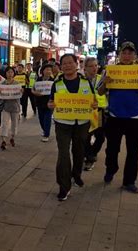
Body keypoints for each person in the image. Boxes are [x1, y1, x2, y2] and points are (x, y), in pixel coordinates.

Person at [97, 42, 138, 194]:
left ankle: (129, 181)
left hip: (135, 117)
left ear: (135, 55)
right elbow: (100, 92)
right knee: (112, 149)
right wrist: (106, 84)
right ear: (119, 54)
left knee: (133, 152)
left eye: (130, 53)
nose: (127, 56)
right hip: (114, 116)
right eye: (124, 53)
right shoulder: (110, 70)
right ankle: (111, 169)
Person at [48, 54, 96, 201]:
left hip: (82, 124)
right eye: (64, 63)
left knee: (79, 152)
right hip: (63, 124)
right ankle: (64, 186)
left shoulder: (86, 82)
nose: (67, 66)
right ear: (61, 67)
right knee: (63, 154)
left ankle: (76, 174)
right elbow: (51, 102)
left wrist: (94, 104)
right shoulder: (57, 84)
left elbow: (93, 100)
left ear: (77, 64)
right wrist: (50, 105)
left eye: (70, 63)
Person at [83, 57, 108, 171]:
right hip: (86, 112)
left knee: (101, 137)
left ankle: (91, 153)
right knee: (86, 136)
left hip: (99, 112)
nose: (94, 68)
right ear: (85, 68)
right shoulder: (81, 80)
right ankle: (89, 158)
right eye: (91, 66)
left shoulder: (101, 79)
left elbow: (107, 94)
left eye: (96, 65)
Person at [0, 67, 23, 150]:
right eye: (8, 72)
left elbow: (20, 95)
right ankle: (3, 140)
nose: (10, 74)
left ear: (14, 73)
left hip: (15, 107)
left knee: (14, 124)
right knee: (4, 124)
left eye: (11, 72)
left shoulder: (17, 83)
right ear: (5, 73)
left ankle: (12, 137)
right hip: (5, 107)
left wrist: (21, 91)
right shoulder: (2, 84)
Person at [32, 64, 54, 142]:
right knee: (41, 118)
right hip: (39, 101)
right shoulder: (39, 80)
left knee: (47, 118)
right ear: (43, 71)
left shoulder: (53, 81)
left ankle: (46, 135)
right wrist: (35, 93)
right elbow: (33, 89)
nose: (48, 71)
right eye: (46, 69)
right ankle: (45, 130)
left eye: (50, 70)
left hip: (49, 102)